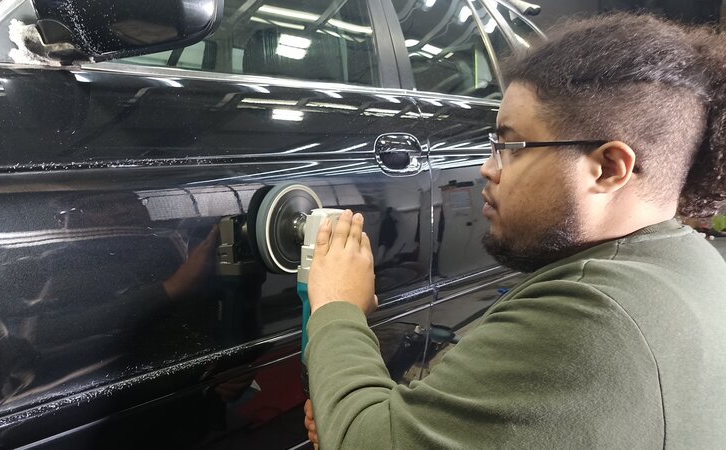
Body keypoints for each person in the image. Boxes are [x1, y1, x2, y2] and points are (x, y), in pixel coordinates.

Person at [303, 13, 726, 449]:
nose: (487, 168)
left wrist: (337, 307)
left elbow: (363, 442)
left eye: (510, 147)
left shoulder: (589, 316)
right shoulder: (694, 264)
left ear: (608, 168)